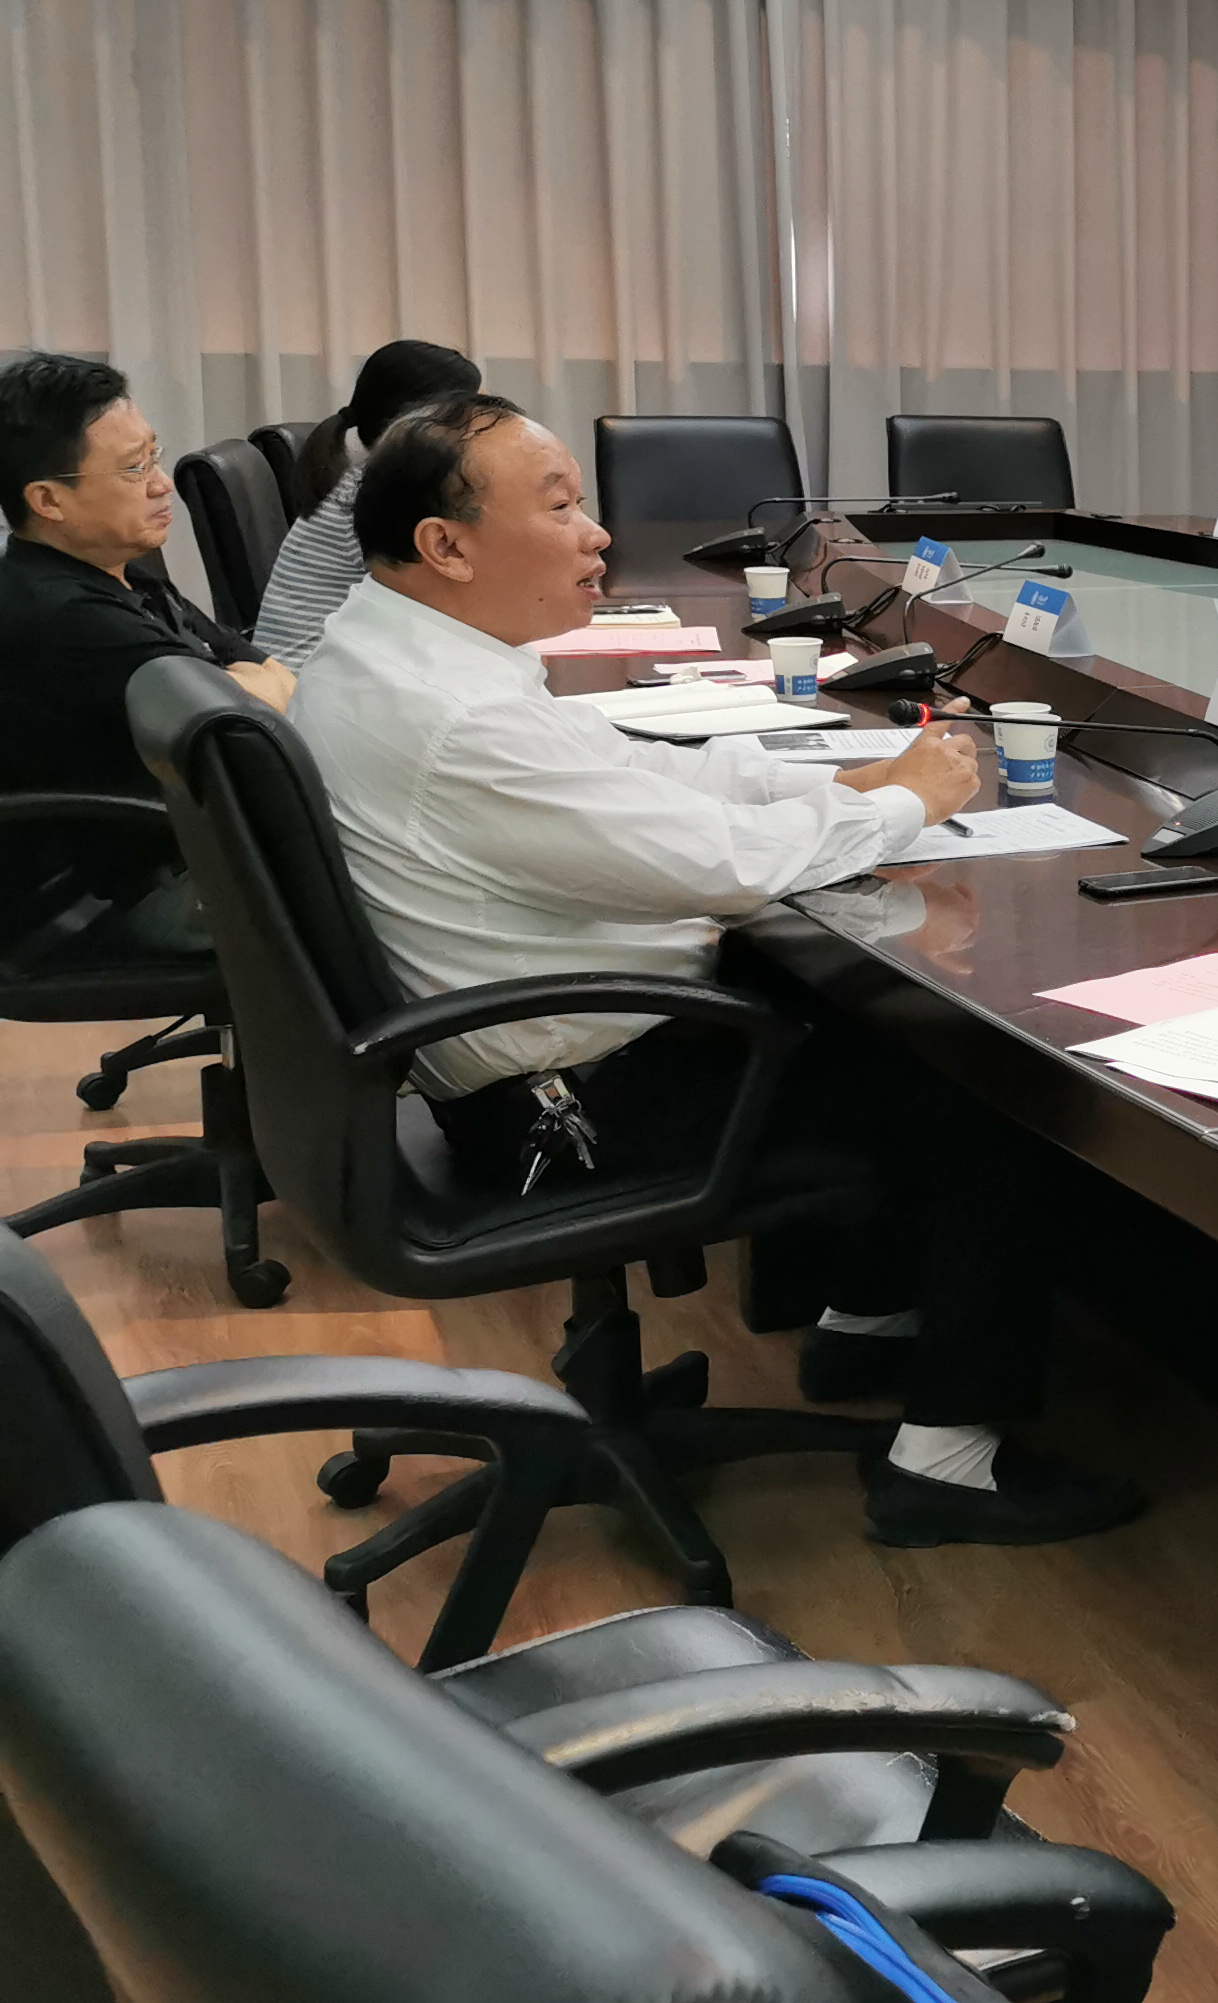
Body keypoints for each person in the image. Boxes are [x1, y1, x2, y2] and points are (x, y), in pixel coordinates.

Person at [291, 392, 1142, 1547]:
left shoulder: (392, 650)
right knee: (997, 1085)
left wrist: (844, 784)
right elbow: (719, 866)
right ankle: (947, 1465)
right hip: (567, 1110)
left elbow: (629, 773)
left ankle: (867, 1324)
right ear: (446, 545)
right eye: (560, 506)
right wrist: (902, 806)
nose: (595, 532)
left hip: (504, 1063)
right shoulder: (453, 718)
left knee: (873, 1026)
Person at [0, 352, 296, 958]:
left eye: (154, 456)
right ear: (48, 500)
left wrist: (251, 686)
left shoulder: (121, 573)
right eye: (134, 469)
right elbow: (248, 721)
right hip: (121, 895)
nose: (161, 484)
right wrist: (250, 686)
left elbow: (266, 669)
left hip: (188, 843)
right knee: (392, 878)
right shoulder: (66, 615)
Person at [253, 336, 481, 667]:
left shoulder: (362, 478)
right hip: (308, 679)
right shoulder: (374, 497)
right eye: (468, 417)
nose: (478, 431)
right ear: (423, 423)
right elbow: (457, 596)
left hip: (320, 669)